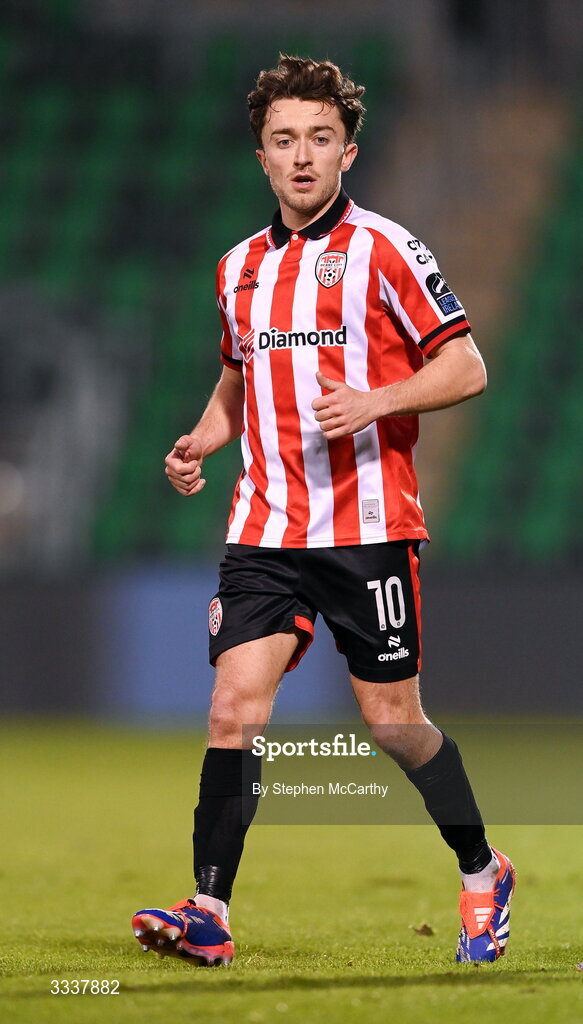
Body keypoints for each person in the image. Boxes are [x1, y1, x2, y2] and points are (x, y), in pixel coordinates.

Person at [131, 54, 515, 966]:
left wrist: (377, 401)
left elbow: (467, 366)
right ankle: (209, 911)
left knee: (391, 725)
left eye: (319, 139)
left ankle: (479, 870)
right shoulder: (238, 270)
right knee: (232, 710)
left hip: (368, 528)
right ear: (260, 158)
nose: (301, 156)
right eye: (282, 141)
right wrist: (199, 439)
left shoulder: (385, 248)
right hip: (264, 529)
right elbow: (237, 379)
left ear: (347, 151)